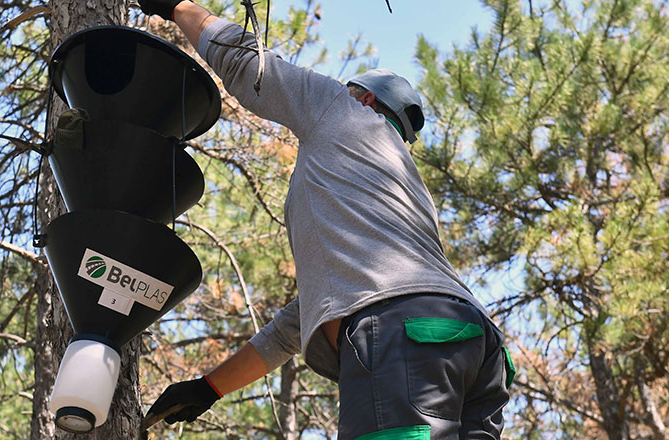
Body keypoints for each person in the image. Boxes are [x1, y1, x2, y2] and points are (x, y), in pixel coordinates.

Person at [137, 1, 513, 438]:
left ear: (366, 98)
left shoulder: (343, 109)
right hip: (474, 346)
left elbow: (248, 65)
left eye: (351, 90)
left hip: (401, 333)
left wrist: (177, 6)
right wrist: (210, 387)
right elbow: (297, 325)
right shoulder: (402, 195)